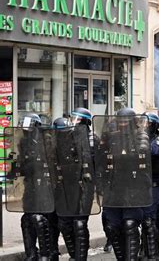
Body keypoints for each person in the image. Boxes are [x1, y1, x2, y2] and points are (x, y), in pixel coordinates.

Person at [96, 108, 152, 260]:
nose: (122, 125)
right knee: (112, 227)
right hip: (114, 188)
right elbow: (102, 161)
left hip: (133, 187)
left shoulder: (140, 135)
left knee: (130, 224)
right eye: (120, 122)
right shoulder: (112, 138)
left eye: (125, 122)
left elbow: (142, 153)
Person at [50, 110, 96, 261]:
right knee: (64, 223)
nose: (74, 122)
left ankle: (80, 257)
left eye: (78, 119)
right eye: (73, 118)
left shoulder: (92, 139)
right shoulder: (69, 137)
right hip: (68, 186)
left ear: (85, 122)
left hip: (85, 186)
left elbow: (98, 163)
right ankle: (73, 255)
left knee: (79, 223)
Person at [12, 114, 58, 260]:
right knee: (27, 220)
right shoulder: (24, 142)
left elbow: (52, 164)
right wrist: (15, 168)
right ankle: (31, 253)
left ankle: (49, 253)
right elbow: (22, 163)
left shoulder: (47, 141)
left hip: (46, 187)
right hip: (30, 186)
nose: (26, 132)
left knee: (45, 220)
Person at [141, 112, 159, 260]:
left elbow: (154, 151)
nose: (144, 126)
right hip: (139, 185)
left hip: (154, 185)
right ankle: (143, 249)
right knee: (140, 219)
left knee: (151, 220)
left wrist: (141, 141)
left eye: (147, 123)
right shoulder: (139, 137)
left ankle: (153, 253)